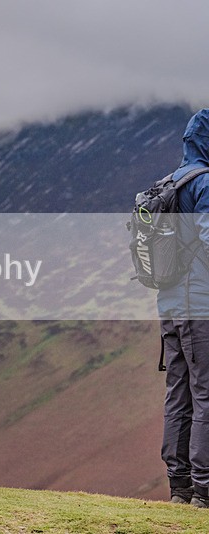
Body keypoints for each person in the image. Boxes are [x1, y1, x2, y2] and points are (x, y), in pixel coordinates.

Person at [157, 109, 209, 508]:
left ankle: (180, 486)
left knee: (179, 393)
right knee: (206, 392)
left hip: (170, 304)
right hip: (199, 305)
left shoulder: (170, 183)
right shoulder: (205, 183)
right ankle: (205, 490)